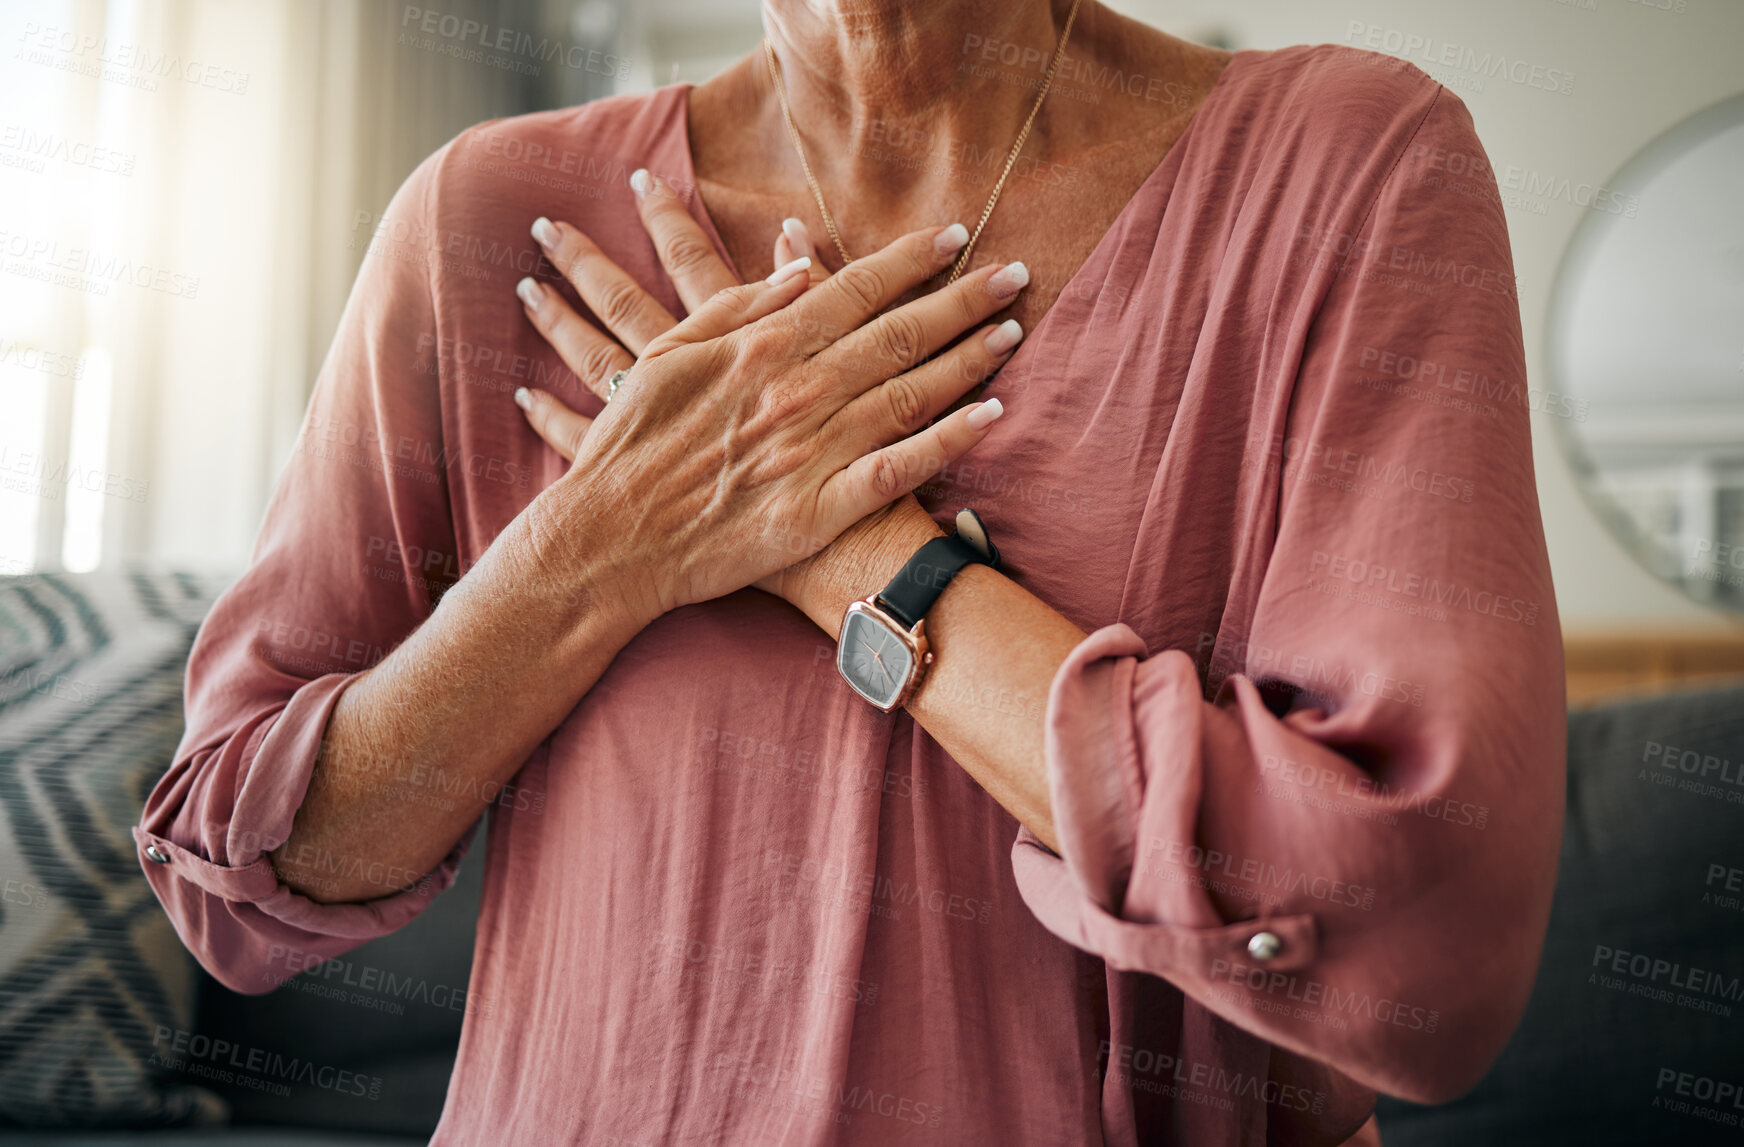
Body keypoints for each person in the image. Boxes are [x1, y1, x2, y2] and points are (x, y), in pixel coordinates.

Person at [136, 1, 1565, 1143]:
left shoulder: (1352, 170)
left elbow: (1420, 953)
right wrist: (596, 547)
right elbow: (236, 880)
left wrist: (857, 553)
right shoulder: (488, 219)